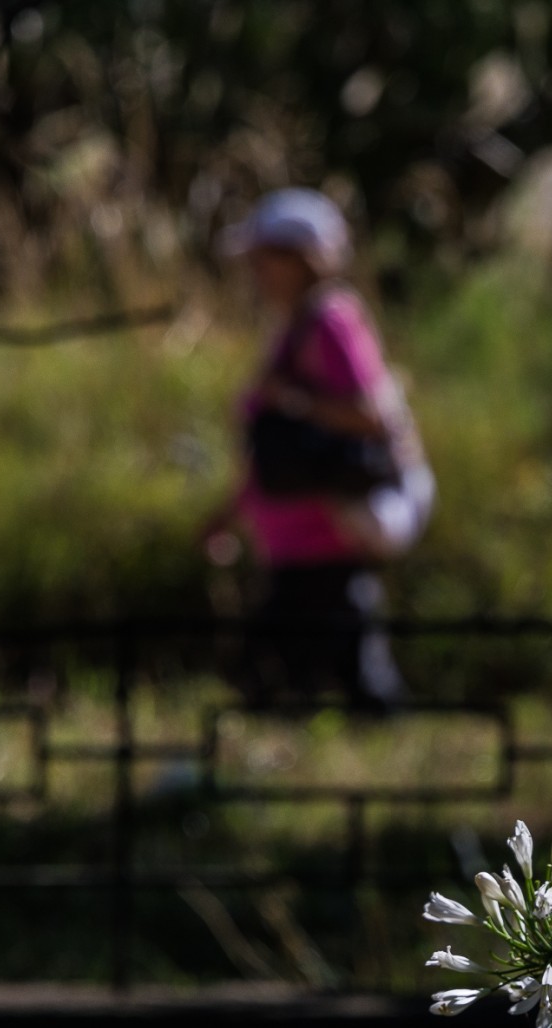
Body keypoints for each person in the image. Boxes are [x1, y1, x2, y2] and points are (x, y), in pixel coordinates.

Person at [206, 188, 433, 707]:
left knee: (332, 690)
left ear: (300, 259)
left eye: (266, 258)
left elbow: (372, 416)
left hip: (326, 546)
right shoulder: (294, 326)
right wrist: (229, 513)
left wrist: (290, 399)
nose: (256, 271)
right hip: (294, 550)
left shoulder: (330, 320)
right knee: (293, 690)